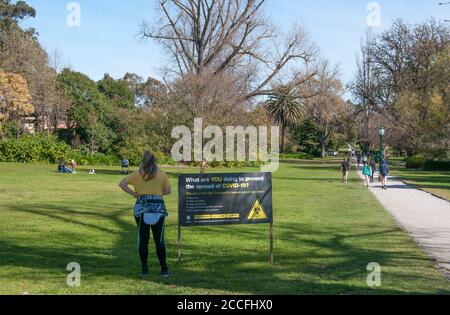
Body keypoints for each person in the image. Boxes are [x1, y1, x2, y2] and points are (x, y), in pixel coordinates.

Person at [119, 151, 172, 278]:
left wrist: (134, 194)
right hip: (158, 208)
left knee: (143, 239)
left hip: (141, 208)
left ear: (143, 160)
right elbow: (168, 190)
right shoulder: (161, 174)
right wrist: (158, 194)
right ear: (154, 160)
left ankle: (144, 269)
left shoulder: (137, 174)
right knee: (159, 240)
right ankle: (164, 269)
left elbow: (122, 184)